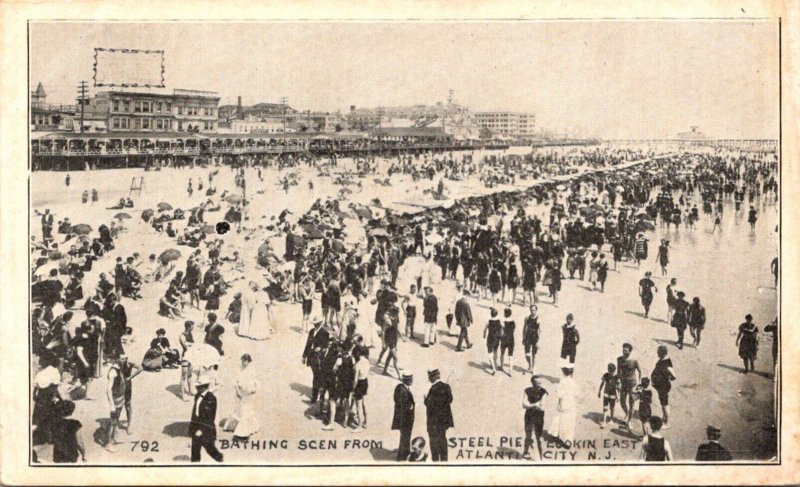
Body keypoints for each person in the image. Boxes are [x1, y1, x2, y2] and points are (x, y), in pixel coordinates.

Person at [190, 375, 224, 462]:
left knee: (210, 450)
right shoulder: (197, 396)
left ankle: (220, 459)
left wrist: (201, 430)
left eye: (199, 386)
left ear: (205, 386)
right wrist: (192, 428)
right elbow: (195, 412)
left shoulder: (211, 398)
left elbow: (209, 417)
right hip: (196, 428)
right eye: (197, 386)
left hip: (207, 430)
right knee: (195, 451)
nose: (197, 388)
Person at [424, 369, 453, 462]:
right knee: (443, 439)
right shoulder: (446, 386)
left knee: (433, 440)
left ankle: (435, 460)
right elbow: (450, 399)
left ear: (432, 378)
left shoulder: (432, 389)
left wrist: (425, 399)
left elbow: (429, 404)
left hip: (434, 420)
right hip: (444, 419)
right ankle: (444, 460)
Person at [231, 354, 260, 439]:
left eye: (245, 361)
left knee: (246, 410)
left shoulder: (252, 370)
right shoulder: (238, 369)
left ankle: (242, 432)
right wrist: (237, 391)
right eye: (242, 361)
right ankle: (239, 426)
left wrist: (254, 389)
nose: (243, 363)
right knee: (239, 409)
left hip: (248, 393)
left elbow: (255, 381)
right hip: (240, 392)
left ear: (249, 361)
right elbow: (235, 381)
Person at [549, 367, 577, 447]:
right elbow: (576, 393)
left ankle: (554, 433)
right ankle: (567, 440)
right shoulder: (573, 382)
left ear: (563, 372)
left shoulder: (562, 382)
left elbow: (559, 394)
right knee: (570, 420)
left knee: (559, 417)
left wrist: (559, 403)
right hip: (571, 402)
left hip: (563, 401)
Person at [522, 375, 548, 459]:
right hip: (529, 416)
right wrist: (535, 404)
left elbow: (542, 407)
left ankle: (542, 457)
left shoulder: (543, 392)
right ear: (532, 383)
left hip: (539, 417)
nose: (539, 384)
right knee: (528, 435)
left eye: (540, 382)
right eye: (537, 383)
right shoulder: (527, 390)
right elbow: (523, 404)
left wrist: (530, 405)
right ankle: (525, 453)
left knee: (539, 437)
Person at [616, 343, 641, 428]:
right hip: (623, 382)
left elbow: (640, 371)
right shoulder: (619, 359)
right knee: (622, 401)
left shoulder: (634, 361)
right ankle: (627, 414)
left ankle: (629, 421)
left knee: (631, 403)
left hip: (632, 383)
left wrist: (639, 383)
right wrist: (618, 381)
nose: (623, 351)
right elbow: (618, 372)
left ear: (630, 351)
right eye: (623, 350)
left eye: (625, 351)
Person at [392, 370, 415, 461]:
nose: (412, 381)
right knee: (405, 436)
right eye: (411, 379)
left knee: (406, 436)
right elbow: (402, 404)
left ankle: (405, 453)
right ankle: (402, 456)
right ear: (407, 380)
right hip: (405, 418)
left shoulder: (401, 387)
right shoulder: (402, 389)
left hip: (405, 417)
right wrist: (410, 406)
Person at [651, 345, 676, 429]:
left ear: (663, 353)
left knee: (665, 405)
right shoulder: (663, 359)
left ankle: (667, 423)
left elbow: (674, 376)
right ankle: (664, 417)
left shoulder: (666, 363)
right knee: (663, 404)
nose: (657, 353)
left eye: (658, 352)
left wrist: (668, 378)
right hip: (660, 386)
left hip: (663, 387)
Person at [352, 346, 370, 430]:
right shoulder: (367, 361)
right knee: (365, 403)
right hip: (365, 382)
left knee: (358, 406)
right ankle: (366, 422)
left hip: (359, 383)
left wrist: (353, 389)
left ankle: (359, 426)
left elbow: (355, 380)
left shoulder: (357, 365)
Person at [597, 363, 619, 429]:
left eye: (612, 372)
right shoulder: (605, 375)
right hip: (606, 393)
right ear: (608, 370)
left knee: (612, 408)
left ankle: (611, 419)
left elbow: (618, 387)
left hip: (613, 394)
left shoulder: (616, 377)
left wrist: (618, 396)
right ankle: (604, 422)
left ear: (614, 371)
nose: (611, 373)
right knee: (605, 407)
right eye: (610, 371)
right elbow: (602, 383)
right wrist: (599, 391)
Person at [522, 305, 541, 374]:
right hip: (528, 336)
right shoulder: (527, 318)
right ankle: (529, 365)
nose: (532, 312)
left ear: (536, 310)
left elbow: (540, 331)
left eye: (534, 310)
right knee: (527, 353)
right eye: (531, 310)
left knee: (534, 354)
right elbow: (524, 328)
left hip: (535, 337)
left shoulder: (539, 319)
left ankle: (533, 368)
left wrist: (538, 341)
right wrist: (523, 338)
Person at [483, 308, 502, 375]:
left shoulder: (488, 321)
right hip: (497, 338)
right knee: (496, 351)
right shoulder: (499, 321)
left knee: (490, 353)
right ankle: (495, 363)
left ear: (491, 314)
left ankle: (493, 368)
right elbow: (502, 328)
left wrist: (484, 335)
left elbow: (484, 330)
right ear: (497, 314)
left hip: (490, 338)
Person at [500, 307, 516, 376]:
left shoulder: (503, 322)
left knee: (502, 353)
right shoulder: (513, 322)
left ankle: (501, 366)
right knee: (510, 356)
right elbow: (513, 330)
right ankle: (510, 371)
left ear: (506, 314)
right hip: (511, 339)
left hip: (504, 339)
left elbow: (502, 331)